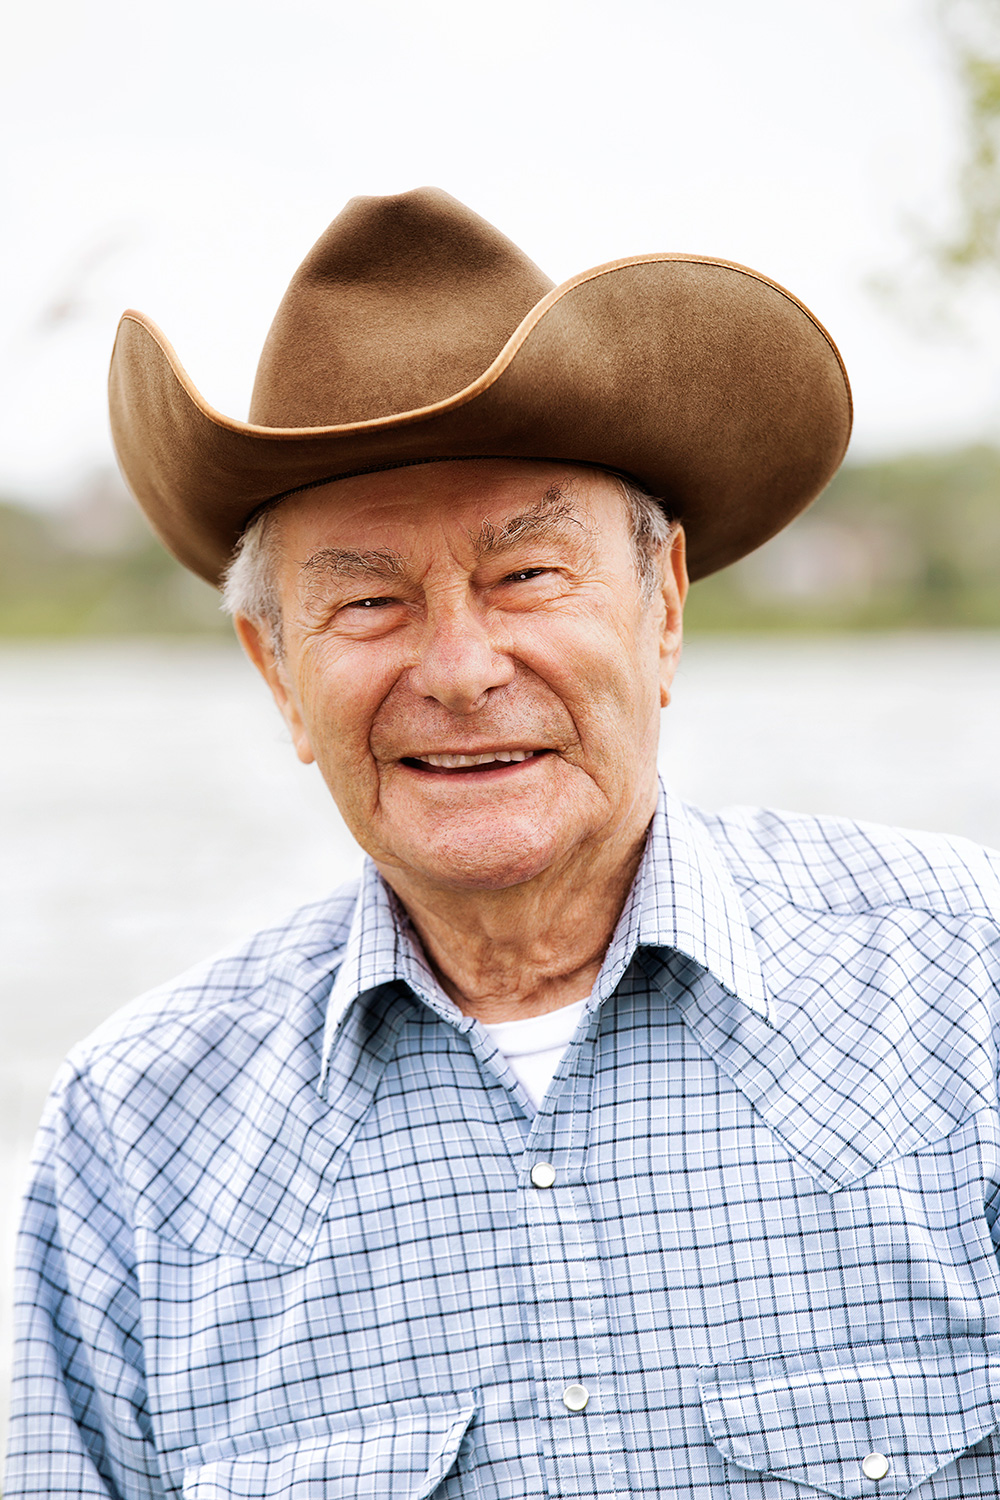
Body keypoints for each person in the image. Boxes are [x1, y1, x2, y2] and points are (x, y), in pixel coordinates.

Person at [6, 187, 1000, 1500]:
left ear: (664, 609)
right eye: (368, 600)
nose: (463, 669)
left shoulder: (966, 986)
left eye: (528, 576)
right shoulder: (130, 1142)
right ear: (275, 670)